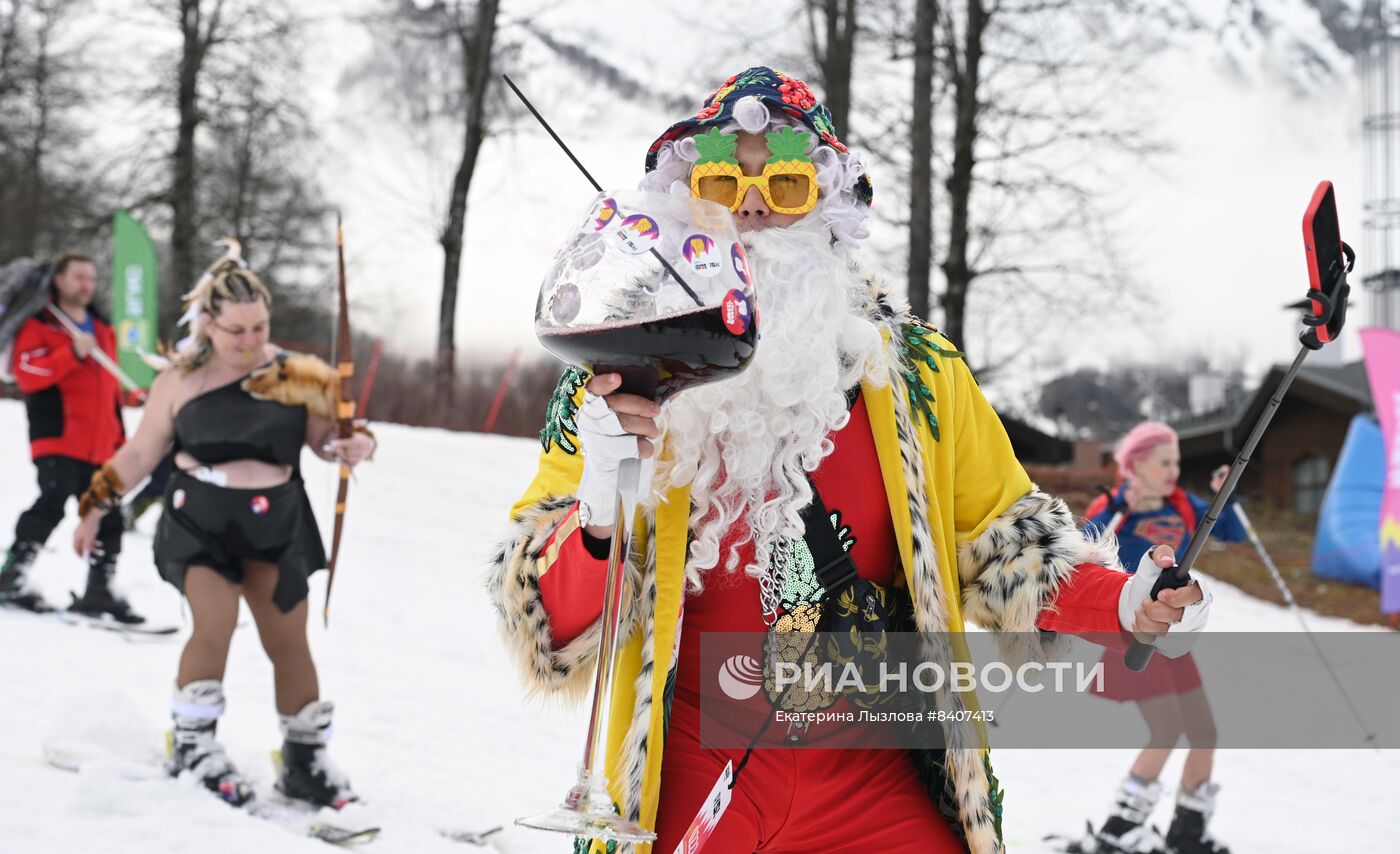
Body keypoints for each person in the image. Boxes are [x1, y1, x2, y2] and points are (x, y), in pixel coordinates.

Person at [489, 68, 1216, 854]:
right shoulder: (618, 376)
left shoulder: (917, 376)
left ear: (831, 203)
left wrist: (1122, 604)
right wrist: (601, 500)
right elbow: (550, 625)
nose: (754, 205)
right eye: (723, 182)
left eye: (789, 183)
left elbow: (1001, 541)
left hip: (872, 783)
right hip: (697, 776)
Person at [71, 245, 376, 808]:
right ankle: (193, 744)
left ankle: (304, 759)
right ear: (208, 324)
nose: (251, 340)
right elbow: (141, 452)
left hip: (277, 523)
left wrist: (356, 444)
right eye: (237, 329)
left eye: (260, 327)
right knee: (215, 621)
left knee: (288, 640)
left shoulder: (297, 375)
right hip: (200, 523)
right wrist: (96, 501)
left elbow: (327, 441)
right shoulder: (179, 381)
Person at [1080, 422, 1244, 854]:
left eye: (1177, 461)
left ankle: (1188, 831)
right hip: (1132, 633)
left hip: (1171, 634)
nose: (1174, 470)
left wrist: (1227, 493)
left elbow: (1230, 531)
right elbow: (1079, 550)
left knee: (1204, 731)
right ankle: (1119, 828)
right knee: (1167, 730)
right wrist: (1117, 507)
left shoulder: (1184, 505)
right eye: (1164, 461)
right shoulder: (1114, 505)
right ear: (1135, 465)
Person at [0, 251, 144, 622]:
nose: (86, 285)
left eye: (91, 279)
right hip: (59, 435)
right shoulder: (42, 325)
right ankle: (12, 575)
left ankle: (100, 589)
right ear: (59, 280)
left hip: (103, 442)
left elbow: (109, 387)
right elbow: (26, 373)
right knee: (53, 499)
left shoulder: (102, 328)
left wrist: (126, 418)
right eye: (78, 277)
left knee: (108, 511)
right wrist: (71, 353)